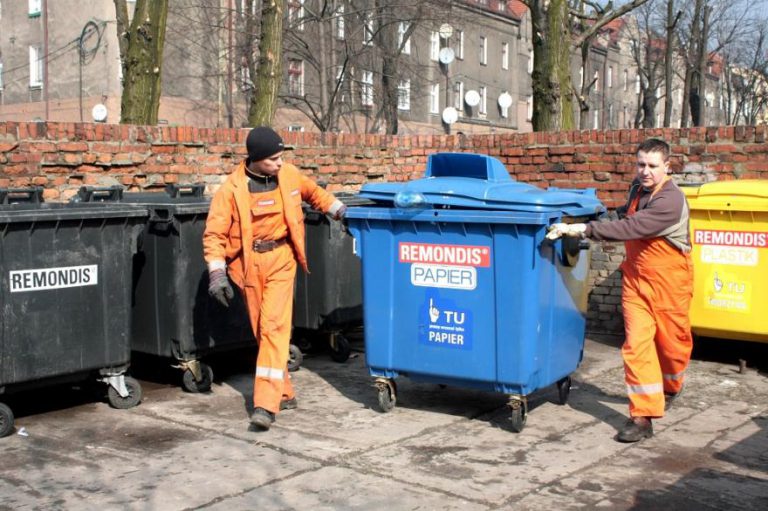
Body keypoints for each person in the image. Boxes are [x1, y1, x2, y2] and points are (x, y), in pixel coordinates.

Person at [546, 138, 693, 443]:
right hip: (637, 281)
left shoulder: (671, 201)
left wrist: (584, 230)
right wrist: (590, 219)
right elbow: (624, 217)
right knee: (636, 345)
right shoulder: (637, 190)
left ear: (668, 166)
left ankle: (672, 384)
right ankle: (642, 417)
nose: (645, 172)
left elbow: (631, 228)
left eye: (653, 166)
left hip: (670, 283)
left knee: (672, 346)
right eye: (641, 164)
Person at [203, 126, 347, 431]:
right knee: (264, 331)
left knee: (273, 327)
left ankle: (265, 405)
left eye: (281, 157)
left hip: (282, 259)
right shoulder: (231, 189)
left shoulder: (290, 175)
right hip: (249, 265)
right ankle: (284, 391)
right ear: (255, 159)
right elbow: (214, 234)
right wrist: (217, 273)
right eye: (273, 160)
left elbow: (315, 194)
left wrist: (341, 211)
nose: (279, 164)